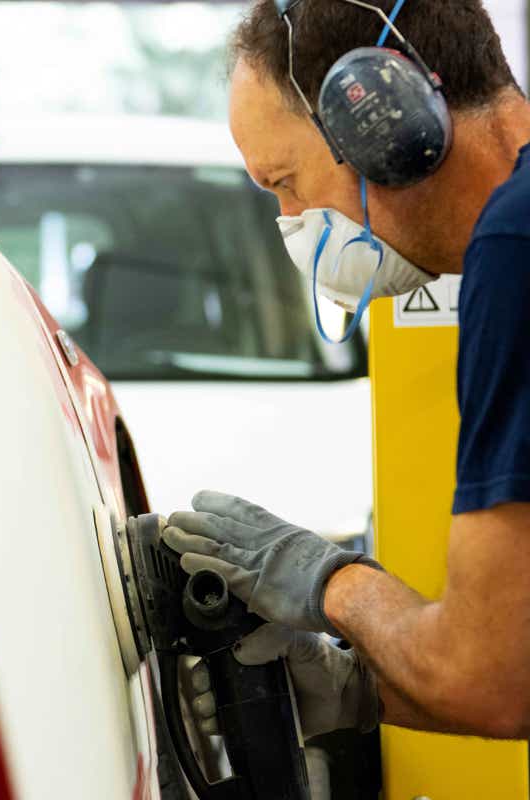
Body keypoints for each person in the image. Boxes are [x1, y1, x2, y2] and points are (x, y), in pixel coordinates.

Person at [163, 0, 530, 741]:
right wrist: (362, 690)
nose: (293, 223)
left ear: (382, 123)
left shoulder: (515, 249)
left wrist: (328, 581)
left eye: (287, 181)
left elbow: (491, 681)